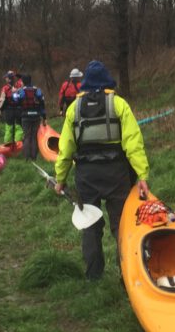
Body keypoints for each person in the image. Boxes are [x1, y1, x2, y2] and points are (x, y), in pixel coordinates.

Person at [53, 60, 149, 281]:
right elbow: (133, 143)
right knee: (122, 225)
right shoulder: (119, 104)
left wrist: (60, 179)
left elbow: (65, 149)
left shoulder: (72, 110)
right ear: (107, 82)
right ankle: (129, 276)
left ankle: (93, 275)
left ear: (84, 84)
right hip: (116, 174)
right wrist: (142, 175)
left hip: (87, 176)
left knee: (90, 226)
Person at [14, 74, 46, 161]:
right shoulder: (37, 90)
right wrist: (44, 117)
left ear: (23, 81)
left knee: (27, 136)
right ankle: (34, 156)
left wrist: (14, 92)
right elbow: (42, 103)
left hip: (25, 116)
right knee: (34, 136)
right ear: (31, 80)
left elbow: (15, 100)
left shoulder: (20, 91)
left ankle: (27, 157)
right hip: (36, 116)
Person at [0, 70, 25, 145]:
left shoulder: (5, 88)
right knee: (19, 128)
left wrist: (0, 110)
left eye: (6, 78)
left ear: (9, 79)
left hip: (9, 111)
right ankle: (18, 144)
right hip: (18, 110)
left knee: (9, 128)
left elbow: (2, 100)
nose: (5, 79)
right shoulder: (19, 87)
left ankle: (7, 144)